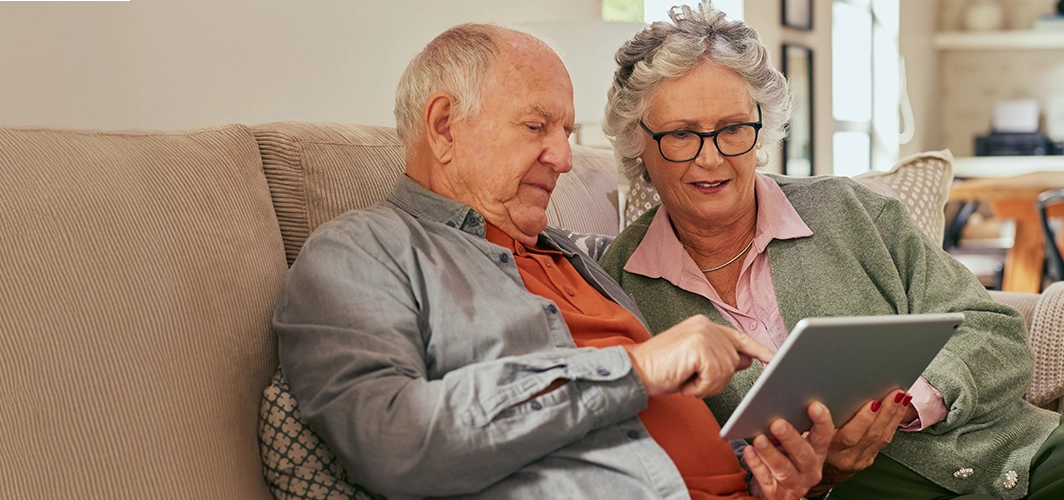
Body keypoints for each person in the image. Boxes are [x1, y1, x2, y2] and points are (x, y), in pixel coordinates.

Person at [274, 22, 832, 499]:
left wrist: (766, 474)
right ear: (443, 126)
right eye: (536, 127)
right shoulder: (363, 252)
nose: (565, 158)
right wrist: (635, 370)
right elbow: (390, 440)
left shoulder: (581, 257)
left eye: (566, 132)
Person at [594, 3, 1064, 499]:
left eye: (733, 129)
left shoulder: (849, 210)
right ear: (636, 141)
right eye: (681, 134)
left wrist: (903, 405)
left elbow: (996, 332)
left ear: (761, 130)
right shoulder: (617, 285)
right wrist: (812, 476)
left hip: (1026, 460)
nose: (711, 158)